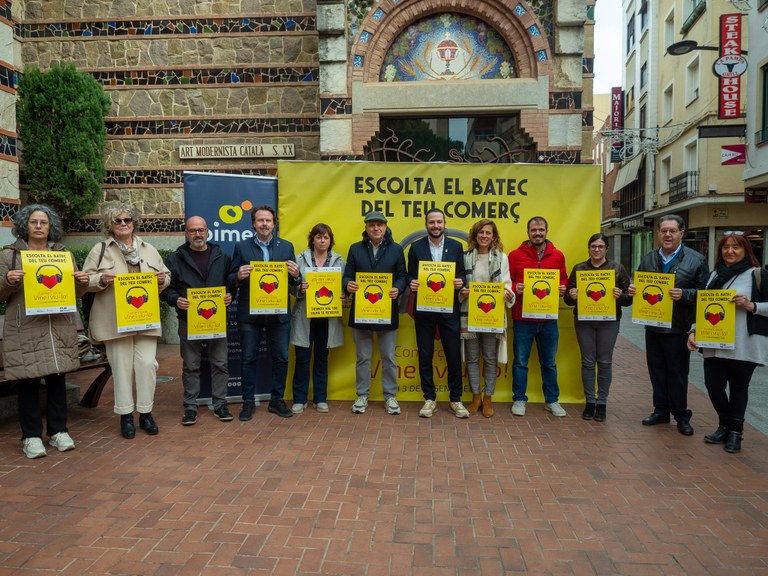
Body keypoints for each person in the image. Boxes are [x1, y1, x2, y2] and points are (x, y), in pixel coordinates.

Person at [0, 204, 89, 458]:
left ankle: (59, 431)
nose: (39, 226)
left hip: (57, 327)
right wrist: (8, 281)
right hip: (25, 327)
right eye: (34, 222)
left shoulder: (63, 255)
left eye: (44, 223)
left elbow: (72, 293)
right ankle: (30, 436)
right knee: (28, 381)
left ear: (52, 228)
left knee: (57, 380)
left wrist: (81, 285)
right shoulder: (10, 256)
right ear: (24, 225)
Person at [83, 202, 170, 439]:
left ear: (134, 223)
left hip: (145, 318)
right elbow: (84, 281)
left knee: (147, 365)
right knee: (121, 368)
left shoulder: (148, 248)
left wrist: (162, 280)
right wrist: (101, 280)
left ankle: (146, 413)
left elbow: (166, 276)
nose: (123, 224)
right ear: (109, 225)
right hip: (114, 321)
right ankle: (125, 416)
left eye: (127, 220)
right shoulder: (100, 250)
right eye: (118, 221)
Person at [686, 232, 768, 453]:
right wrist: (693, 331)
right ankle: (725, 424)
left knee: (739, 388)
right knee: (713, 385)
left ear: (746, 250)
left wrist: (752, 306)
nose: (730, 251)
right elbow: (703, 307)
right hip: (714, 342)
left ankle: (734, 433)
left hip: (744, 342)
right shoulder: (714, 276)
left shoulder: (758, 275)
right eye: (726, 247)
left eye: (736, 247)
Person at [628, 214, 708, 436]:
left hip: (678, 327)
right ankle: (660, 410)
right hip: (652, 325)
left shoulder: (696, 260)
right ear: (658, 233)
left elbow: (707, 294)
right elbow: (642, 289)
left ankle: (681, 415)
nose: (667, 235)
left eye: (672, 231)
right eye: (663, 231)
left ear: (682, 233)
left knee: (678, 372)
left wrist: (685, 294)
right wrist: (634, 291)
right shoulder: (648, 259)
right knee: (656, 370)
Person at [229, 205, 300, 420]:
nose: (264, 224)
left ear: (274, 223)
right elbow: (230, 279)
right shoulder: (242, 247)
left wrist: (297, 275)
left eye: (268, 220)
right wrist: (238, 276)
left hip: (278, 315)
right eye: (260, 220)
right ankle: (248, 403)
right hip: (250, 314)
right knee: (248, 358)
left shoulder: (286, 247)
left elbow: (293, 282)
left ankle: (277, 401)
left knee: (281, 357)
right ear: (253, 224)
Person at [164, 216, 233, 426]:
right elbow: (165, 289)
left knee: (220, 363)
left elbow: (230, 282)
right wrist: (176, 300)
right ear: (186, 233)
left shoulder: (221, 255)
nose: (197, 234)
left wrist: (230, 294)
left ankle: (220, 404)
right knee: (191, 365)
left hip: (216, 319)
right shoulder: (175, 258)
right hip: (188, 320)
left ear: (207, 232)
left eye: (201, 230)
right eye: (193, 231)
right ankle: (190, 407)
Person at [407, 208, 469, 418]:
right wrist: (411, 282)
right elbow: (410, 275)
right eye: (432, 222)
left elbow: (461, 274)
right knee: (425, 355)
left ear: (444, 224)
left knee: (453, 355)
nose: (435, 226)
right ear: (426, 225)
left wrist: (461, 282)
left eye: (439, 222)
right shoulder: (416, 248)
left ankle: (456, 399)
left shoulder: (456, 246)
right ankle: (429, 398)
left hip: (448, 309)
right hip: (424, 310)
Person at [343, 211, 407, 415]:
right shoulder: (355, 249)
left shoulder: (396, 250)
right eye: (372, 225)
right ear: (366, 228)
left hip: (386, 310)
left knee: (389, 357)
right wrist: (348, 285)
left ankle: (390, 397)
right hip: (361, 311)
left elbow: (402, 277)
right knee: (363, 357)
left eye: (380, 225)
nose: (376, 228)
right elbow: (347, 277)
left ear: (386, 228)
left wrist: (397, 287)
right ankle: (362, 396)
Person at [564, 233, 632, 422]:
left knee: (604, 362)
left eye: (600, 246)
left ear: (607, 249)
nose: (596, 250)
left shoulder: (617, 268)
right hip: (584, 321)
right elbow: (568, 300)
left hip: (608, 322)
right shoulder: (579, 269)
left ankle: (601, 402)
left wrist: (621, 296)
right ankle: (590, 402)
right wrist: (572, 295)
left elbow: (629, 300)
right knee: (587, 361)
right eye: (593, 246)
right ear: (589, 248)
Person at [508, 216, 568, 417]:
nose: (537, 233)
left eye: (541, 230)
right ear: (528, 233)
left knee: (549, 362)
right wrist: (516, 288)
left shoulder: (558, 256)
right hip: (523, 319)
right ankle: (519, 399)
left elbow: (564, 280)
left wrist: (563, 289)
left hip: (549, 319)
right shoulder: (515, 255)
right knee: (520, 362)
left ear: (547, 231)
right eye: (534, 230)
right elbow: (507, 284)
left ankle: (552, 400)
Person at [459, 219, 515, 418]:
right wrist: (461, 293)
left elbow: (506, 282)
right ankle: (476, 397)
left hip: (492, 316)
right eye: (481, 232)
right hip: (469, 315)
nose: (484, 236)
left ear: (494, 236)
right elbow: (458, 284)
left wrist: (508, 293)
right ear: (475, 235)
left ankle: (488, 398)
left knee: (490, 358)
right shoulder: (464, 257)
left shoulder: (502, 258)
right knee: (473, 359)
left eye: (488, 233)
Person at [290, 223, 345, 414]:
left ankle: (320, 398)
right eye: (319, 237)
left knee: (322, 358)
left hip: (327, 317)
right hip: (305, 316)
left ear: (330, 241)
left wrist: (343, 296)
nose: (322, 240)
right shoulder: (299, 258)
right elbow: (290, 287)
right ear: (312, 239)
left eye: (326, 237)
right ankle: (299, 399)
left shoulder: (339, 261)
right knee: (302, 359)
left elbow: (344, 287)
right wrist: (299, 288)